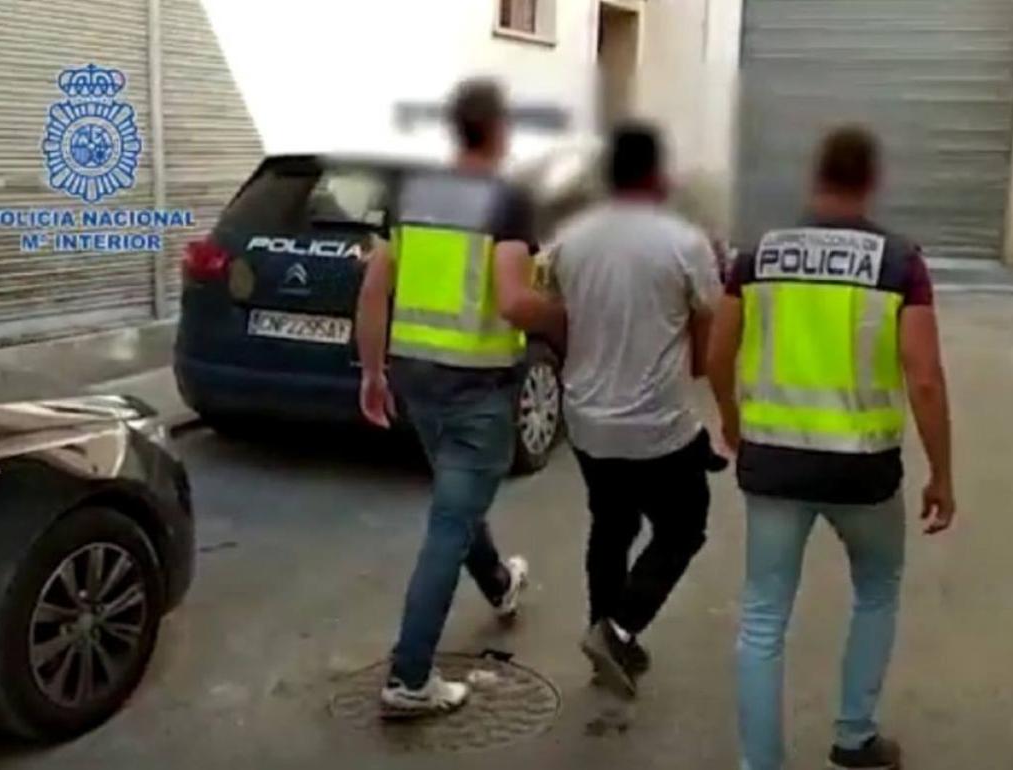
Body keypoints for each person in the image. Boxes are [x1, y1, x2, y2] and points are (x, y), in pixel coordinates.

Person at [707, 125, 956, 770]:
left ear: (814, 179)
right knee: (876, 588)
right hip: (863, 473)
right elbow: (924, 378)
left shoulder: (756, 256)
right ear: (872, 182)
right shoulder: (900, 262)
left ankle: (760, 764)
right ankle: (854, 735)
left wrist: (732, 421)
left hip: (772, 462)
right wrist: (941, 474)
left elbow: (718, 351)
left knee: (763, 616)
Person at [355, 78, 565, 717]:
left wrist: (372, 373)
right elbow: (511, 299)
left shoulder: (412, 194)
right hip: (476, 383)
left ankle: (501, 585)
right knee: (450, 521)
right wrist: (562, 309)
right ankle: (409, 677)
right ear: (499, 132)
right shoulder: (505, 201)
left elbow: (373, 290)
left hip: (417, 379)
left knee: (458, 494)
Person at [549, 123, 724, 698]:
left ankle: (608, 637)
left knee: (612, 523)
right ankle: (618, 628)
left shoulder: (570, 240)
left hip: (586, 420)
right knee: (684, 525)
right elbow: (709, 336)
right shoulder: (684, 242)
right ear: (658, 174)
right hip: (655, 426)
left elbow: (556, 311)